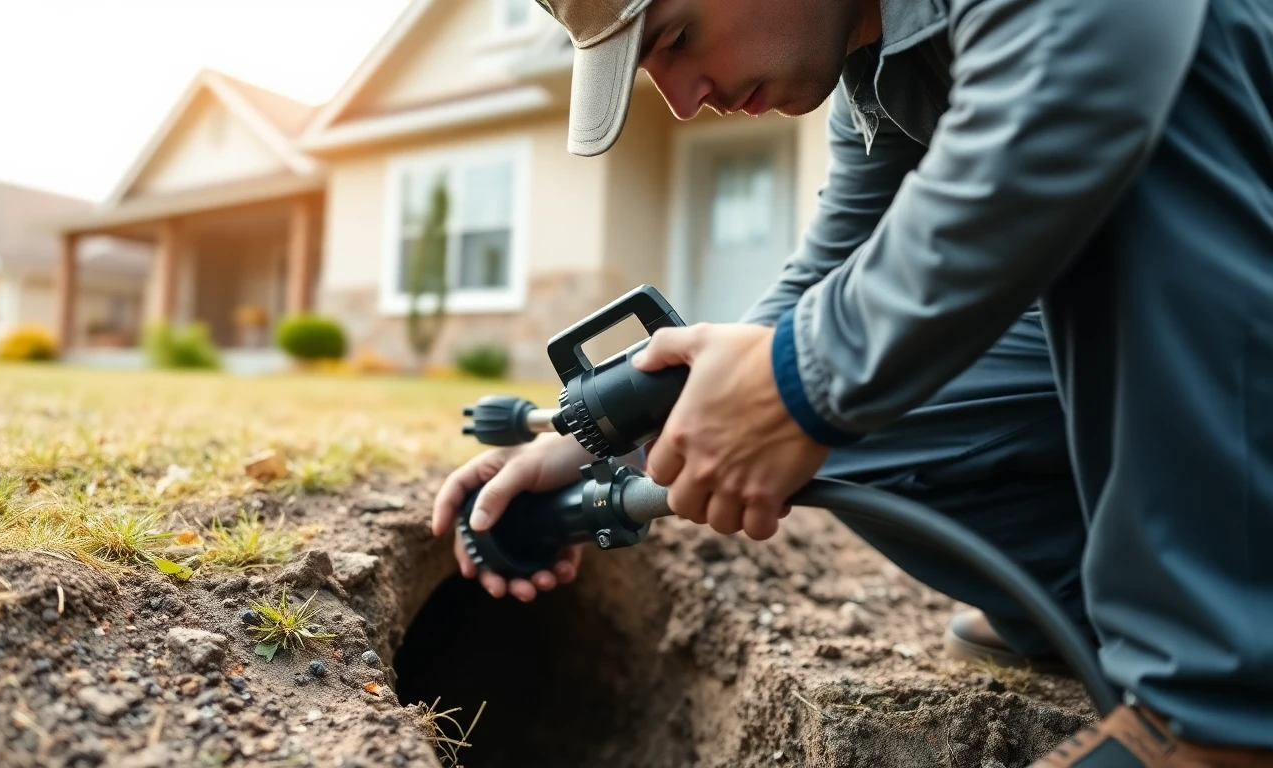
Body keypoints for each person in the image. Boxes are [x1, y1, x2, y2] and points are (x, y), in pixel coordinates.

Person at [431, 0, 1273, 763]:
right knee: (823, 411)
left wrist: (802, 379)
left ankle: (1217, 708)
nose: (684, 100)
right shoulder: (879, 66)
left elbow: (1096, 47)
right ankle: (1101, 607)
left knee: (1174, 45)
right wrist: (599, 449)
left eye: (678, 39)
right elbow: (823, 283)